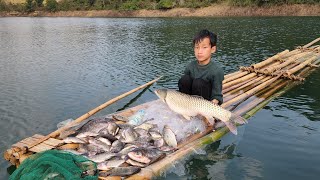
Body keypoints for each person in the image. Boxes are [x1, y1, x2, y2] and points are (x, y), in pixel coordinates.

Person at [178, 29, 224, 105]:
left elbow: (217, 96)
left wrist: (214, 103)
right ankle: (185, 105)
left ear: (212, 49)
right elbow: (184, 86)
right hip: (189, 100)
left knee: (198, 83)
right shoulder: (190, 66)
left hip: (205, 102)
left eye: (204, 47)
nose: (199, 51)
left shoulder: (217, 71)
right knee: (184, 79)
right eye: (197, 47)